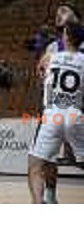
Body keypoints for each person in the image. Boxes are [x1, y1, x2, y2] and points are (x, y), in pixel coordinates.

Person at [29, 20, 84, 203]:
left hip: (53, 113)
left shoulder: (51, 56)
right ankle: (50, 198)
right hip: (75, 113)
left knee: (35, 165)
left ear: (66, 37)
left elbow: (40, 71)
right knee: (76, 159)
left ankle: (39, 204)